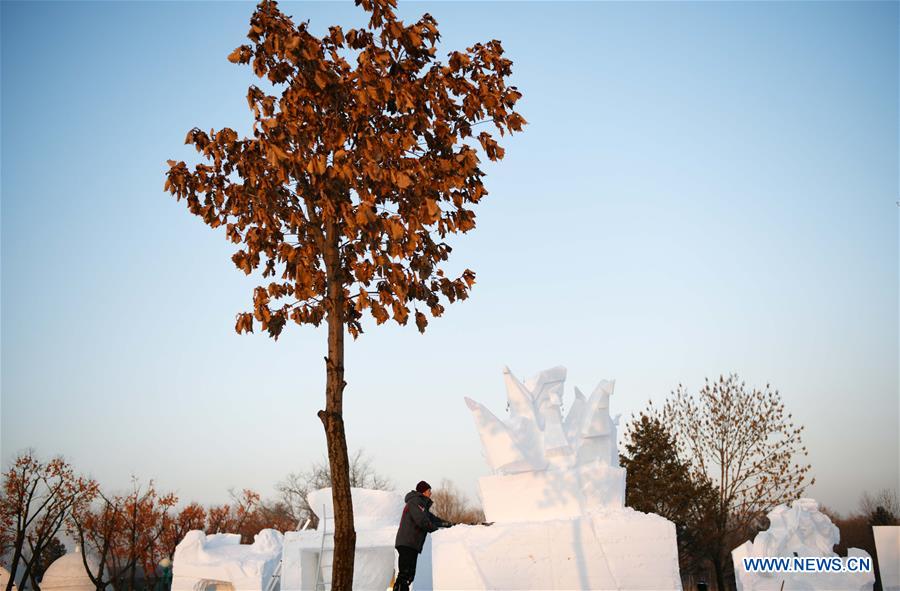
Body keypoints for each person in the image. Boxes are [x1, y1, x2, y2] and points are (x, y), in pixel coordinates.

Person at [393, 480, 452, 591]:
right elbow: (422, 521)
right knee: (404, 575)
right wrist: (436, 531)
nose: (431, 493)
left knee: (409, 576)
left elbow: (433, 520)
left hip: (412, 544)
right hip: (407, 543)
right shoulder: (415, 502)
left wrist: (449, 524)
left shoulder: (422, 507)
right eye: (429, 490)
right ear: (423, 492)